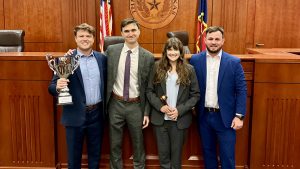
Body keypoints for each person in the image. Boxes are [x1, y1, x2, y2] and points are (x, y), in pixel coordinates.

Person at [48, 23, 107, 169]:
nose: (85, 39)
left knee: (95, 156)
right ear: (75, 38)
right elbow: (51, 88)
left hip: (97, 115)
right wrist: (58, 86)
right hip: (75, 114)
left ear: (94, 39)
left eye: (88, 36)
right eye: (81, 36)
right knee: (73, 159)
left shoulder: (102, 58)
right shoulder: (66, 60)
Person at [190, 26, 247, 169]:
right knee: (208, 154)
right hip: (204, 116)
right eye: (210, 39)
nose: (213, 42)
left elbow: (241, 90)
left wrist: (239, 116)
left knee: (227, 156)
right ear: (205, 40)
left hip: (226, 118)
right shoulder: (195, 60)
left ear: (223, 41)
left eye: (217, 39)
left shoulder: (234, 62)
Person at [105, 18, 155, 169]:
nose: (130, 33)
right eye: (126, 31)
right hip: (115, 103)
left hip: (136, 105)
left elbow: (149, 87)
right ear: (121, 33)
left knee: (138, 143)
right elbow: (93, 58)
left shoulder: (148, 57)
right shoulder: (111, 51)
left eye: (133, 30)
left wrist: (146, 112)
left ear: (139, 32)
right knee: (114, 144)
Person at [146, 37, 200, 169]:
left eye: (176, 50)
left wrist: (179, 110)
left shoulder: (189, 69)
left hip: (179, 121)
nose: (172, 53)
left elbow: (195, 95)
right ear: (165, 51)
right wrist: (161, 107)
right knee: (163, 157)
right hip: (160, 120)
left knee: (176, 158)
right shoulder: (157, 67)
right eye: (169, 50)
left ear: (181, 52)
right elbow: (149, 91)